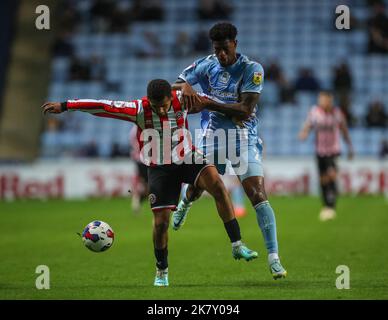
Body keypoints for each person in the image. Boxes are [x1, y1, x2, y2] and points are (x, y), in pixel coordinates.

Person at [41, 79, 257, 287]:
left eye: (164, 105)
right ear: (149, 101)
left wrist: (238, 113)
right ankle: (161, 271)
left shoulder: (183, 99)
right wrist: (65, 105)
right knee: (161, 224)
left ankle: (237, 244)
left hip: (188, 157)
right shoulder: (138, 109)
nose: (161, 111)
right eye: (156, 107)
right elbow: (102, 106)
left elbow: (212, 103)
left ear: (170, 98)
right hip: (160, 169)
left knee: (218, 186)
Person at [171, 22, 287, 279]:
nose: (221, 55)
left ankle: (274, 257)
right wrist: (186, 87)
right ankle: (185, 203)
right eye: (217, 49)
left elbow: (245, 110)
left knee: (257, 194)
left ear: (235, 43)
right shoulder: (206, 64)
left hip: (243, 137)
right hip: (212, 136)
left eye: (225, 49)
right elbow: (174, 85)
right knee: (198, 188)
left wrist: (207, 101)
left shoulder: (252, 69)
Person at [299, 91, 354, 221]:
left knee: (332, 175)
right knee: (323, 179)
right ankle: (326, 206)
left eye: (324, 100)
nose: (322, 102)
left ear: (330, 100)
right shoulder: (314, 112)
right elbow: (308, 125)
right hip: (320, 151)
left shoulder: (337, 113)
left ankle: (331, 205)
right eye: (320, 100)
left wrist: (350, 147)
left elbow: (344, 130)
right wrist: (304, 133)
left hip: (334, 150)